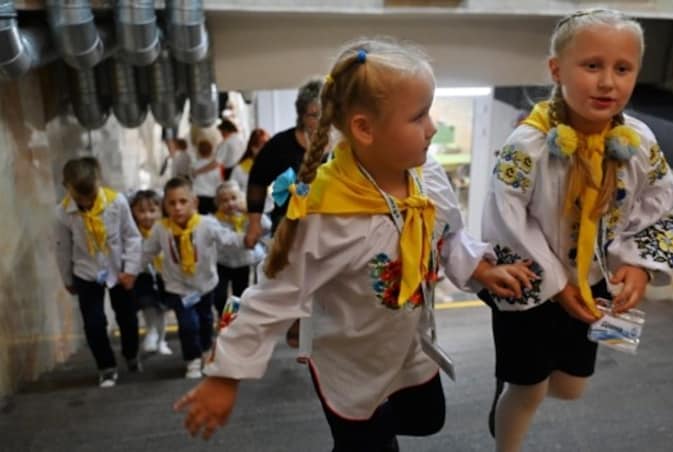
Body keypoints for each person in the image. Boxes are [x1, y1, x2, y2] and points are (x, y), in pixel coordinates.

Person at [174, 39, 535, 449]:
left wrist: (481, 268)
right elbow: (272, 296)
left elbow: (446, 234)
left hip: (405, 347)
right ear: (364, 128)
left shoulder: (425, 175)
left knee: (428, 419)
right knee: (367, 441)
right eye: (419, 117)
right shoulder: (328, 215)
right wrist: (225, 375)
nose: (433, 127)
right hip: (350, 364)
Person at [479, 9, 673, 451]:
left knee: (572, 388)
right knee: (528, 389)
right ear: (557, 69)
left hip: (595, 284)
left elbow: (664, 201)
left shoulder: (639, 140)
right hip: (532, 288)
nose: (608, 82)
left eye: (622, 68)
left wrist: (639, 266)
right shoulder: (528, 146)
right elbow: (505, 220)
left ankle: (516, 384)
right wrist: (555, 285)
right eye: (592, 66)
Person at [141, 177, 247, 379]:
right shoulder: (161, 229)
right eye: (172, 203)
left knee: (206, 320)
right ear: (165, 206)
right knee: (188, 324)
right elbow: (146, 252)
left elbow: (228, 239)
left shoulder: (207, 224)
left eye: (183, 202)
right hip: (178, 287)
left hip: (205, 284)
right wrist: (130, 271)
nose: (178, 208)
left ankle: (206, 350)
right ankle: (192, 360)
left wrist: (248, 239)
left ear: (194, 202)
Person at [54, 157, 142, 388]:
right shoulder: (63, 213)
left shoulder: (117, 202)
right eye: (79, 197)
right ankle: (106, 367)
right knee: (93, 323)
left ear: (98, 183)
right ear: (67, 188)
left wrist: (131, 270)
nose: (85, 202)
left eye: (90, 196)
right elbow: (62, 247)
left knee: (128, 318)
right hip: (85, 273)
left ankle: (131, 353)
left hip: (118, 270)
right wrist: (67, 278)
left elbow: (131, 237)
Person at [244, 79, 323, 244]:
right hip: (288, 225)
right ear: (302, 115)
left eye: (325, 114)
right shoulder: (280, 145)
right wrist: (254, 223)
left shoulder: (342, 145)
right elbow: (257, 179)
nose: (321, 121)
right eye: (314, 115)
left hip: (329, 225)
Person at [212, 181, 271, 317]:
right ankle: (223, 316)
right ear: (218, 204)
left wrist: (250, 212)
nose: (230, 203)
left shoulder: (249, 217)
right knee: (219, 297)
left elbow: (267, 226)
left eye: (234, 198)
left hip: (242, 263)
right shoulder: (215, 221)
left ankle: (232, 320)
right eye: (224, 201)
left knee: (240, 295)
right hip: (222, 263)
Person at [130, 189, 172, 355]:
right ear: (133, 211)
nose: (147, 216)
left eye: (152, 211)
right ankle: (151, 332)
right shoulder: (133, 232)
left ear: (160, 211)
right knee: (148, 304)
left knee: (161, 310)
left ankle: (161, 340)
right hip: (144, 275)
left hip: (164, 275)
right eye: (141, 211)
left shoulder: (166, 229)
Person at [191, 140, 223, 215]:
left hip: (198, 196)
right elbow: (219, 183)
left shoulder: (193, 165)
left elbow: (192, 179)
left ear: (198, 151)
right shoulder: (216, 167)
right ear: (211, 151)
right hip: (212, 196)